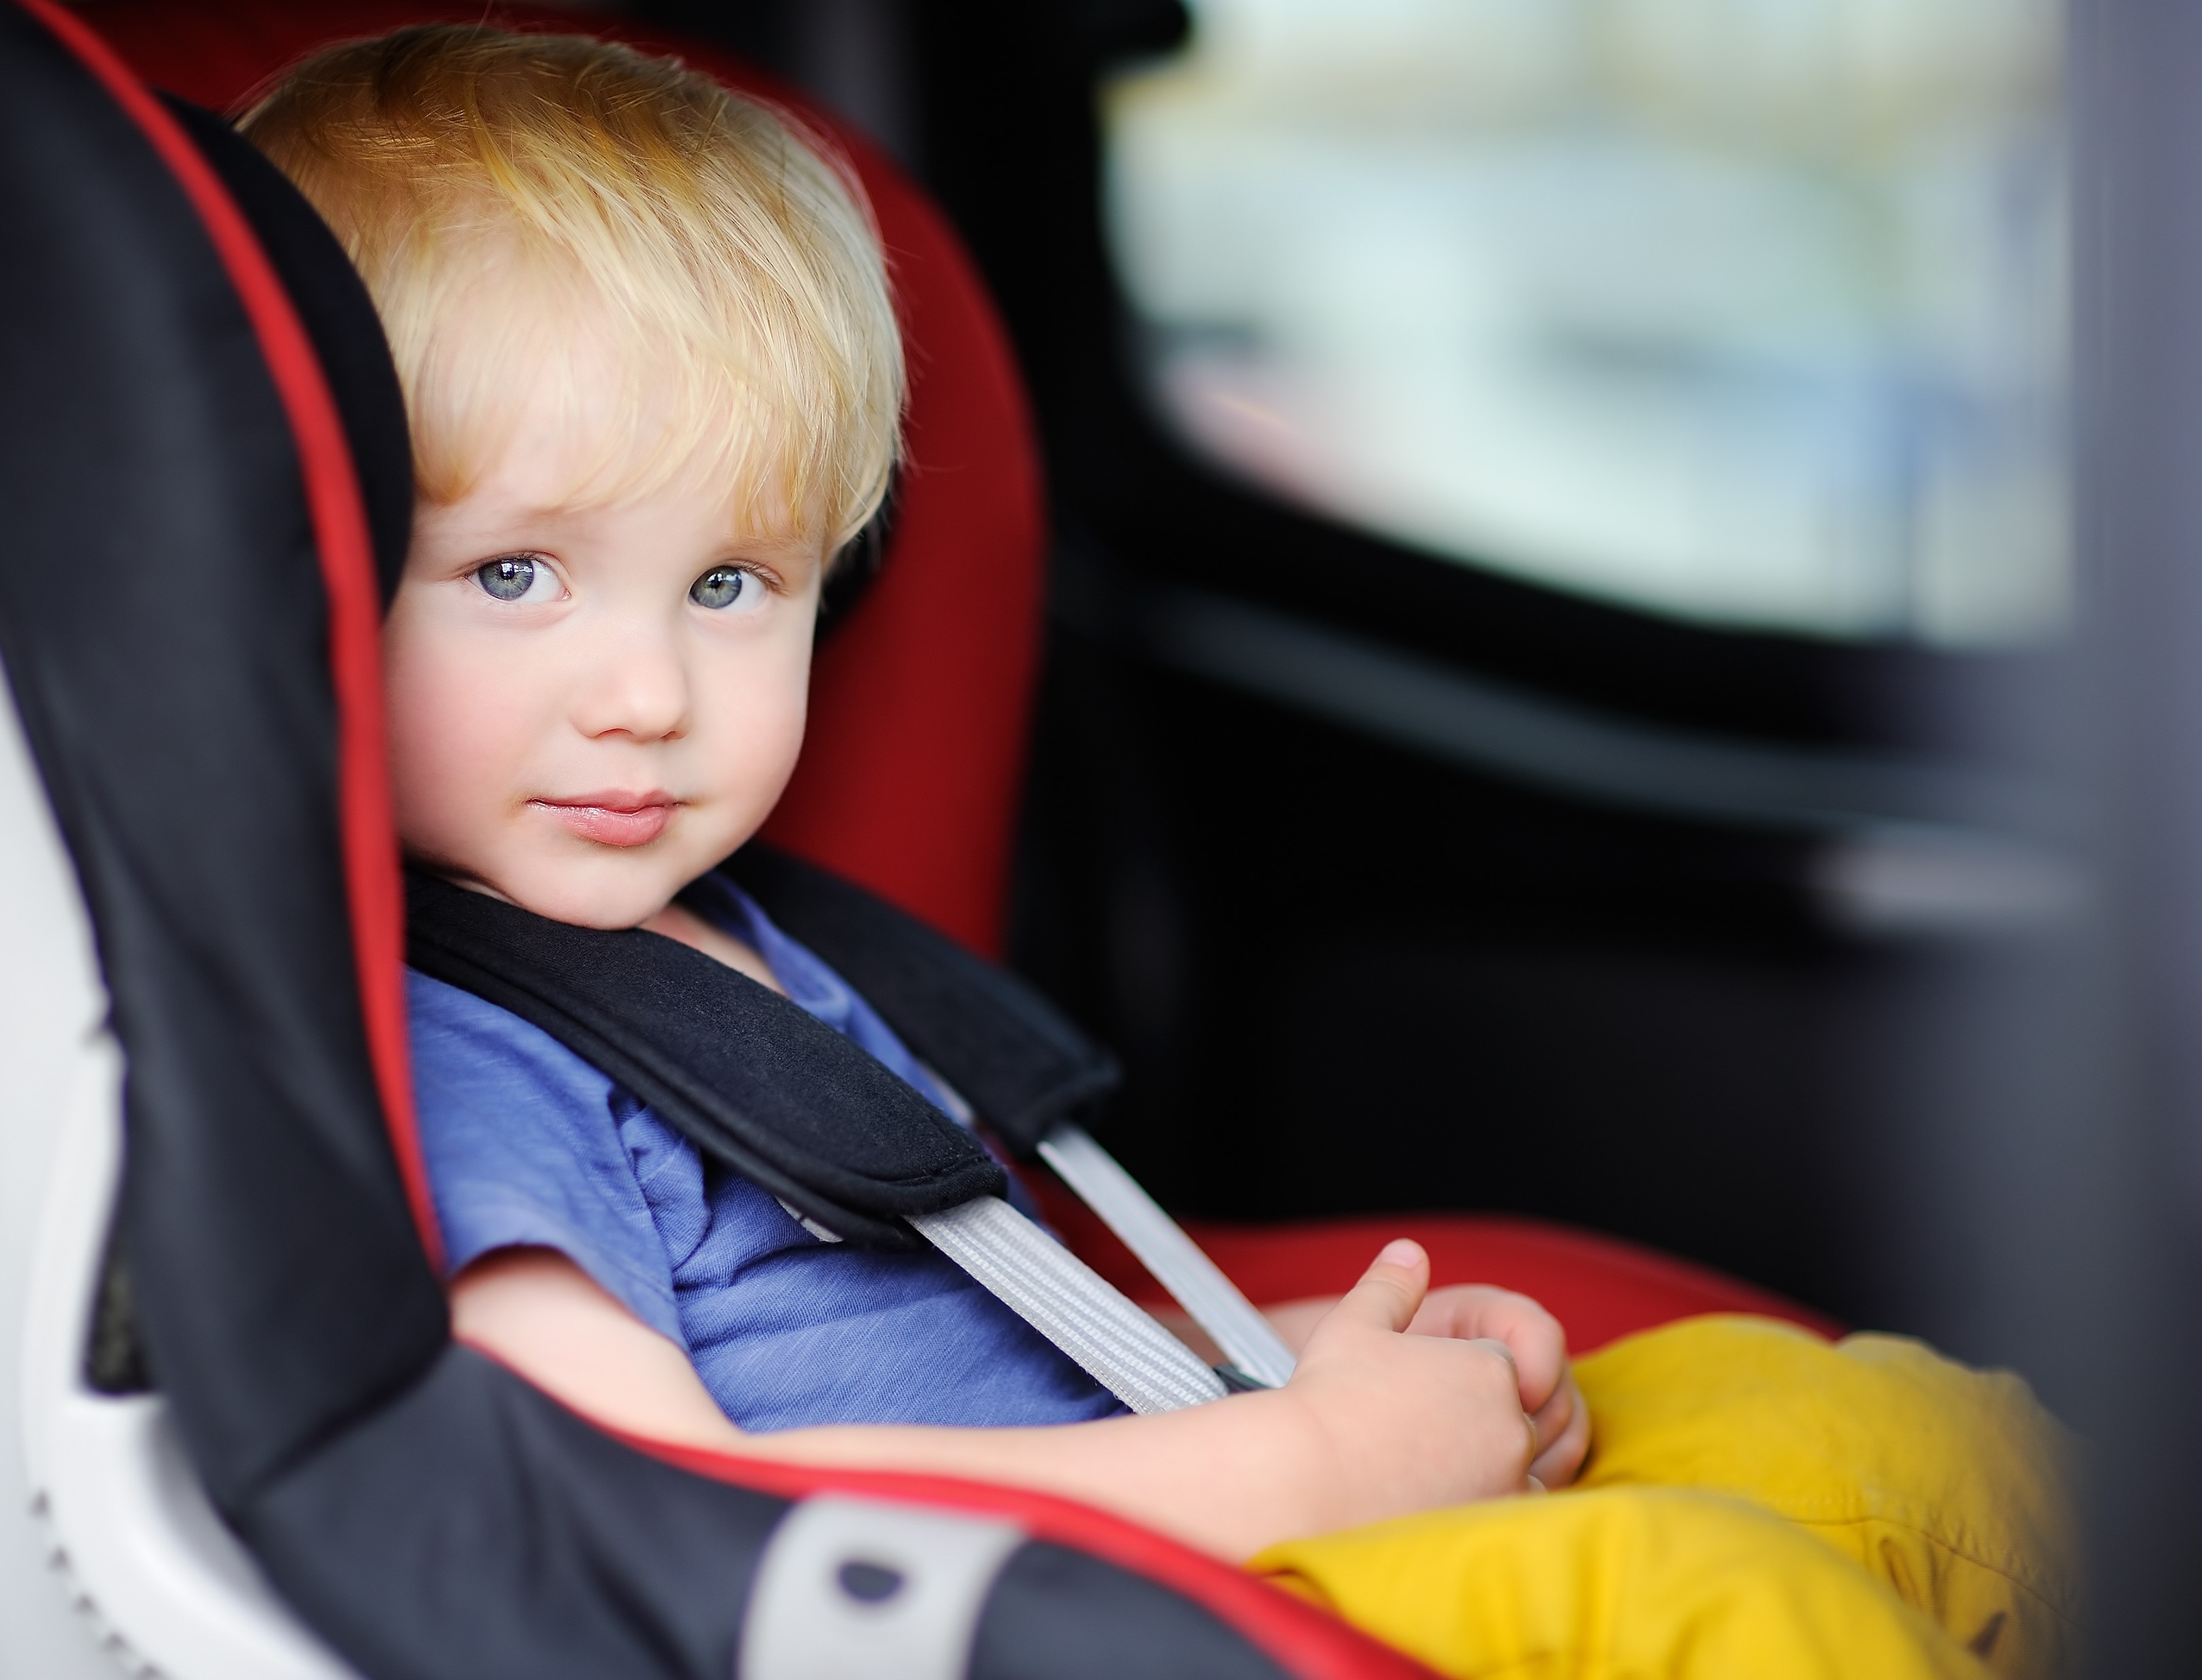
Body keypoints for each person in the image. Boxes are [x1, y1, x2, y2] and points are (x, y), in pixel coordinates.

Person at [241, 27, 2073, 1677]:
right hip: (992, 1627)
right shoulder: (465, 1058)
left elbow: (957, 1342)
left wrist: (1307, 1364)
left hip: (1128, 1504)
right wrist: (1304, 1459)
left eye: (729, 585)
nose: (645, 692)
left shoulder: (732, 937)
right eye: (512, 577)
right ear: (308, 578)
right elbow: (638, 1511)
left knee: (1840, 1425)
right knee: (1703, 1606)